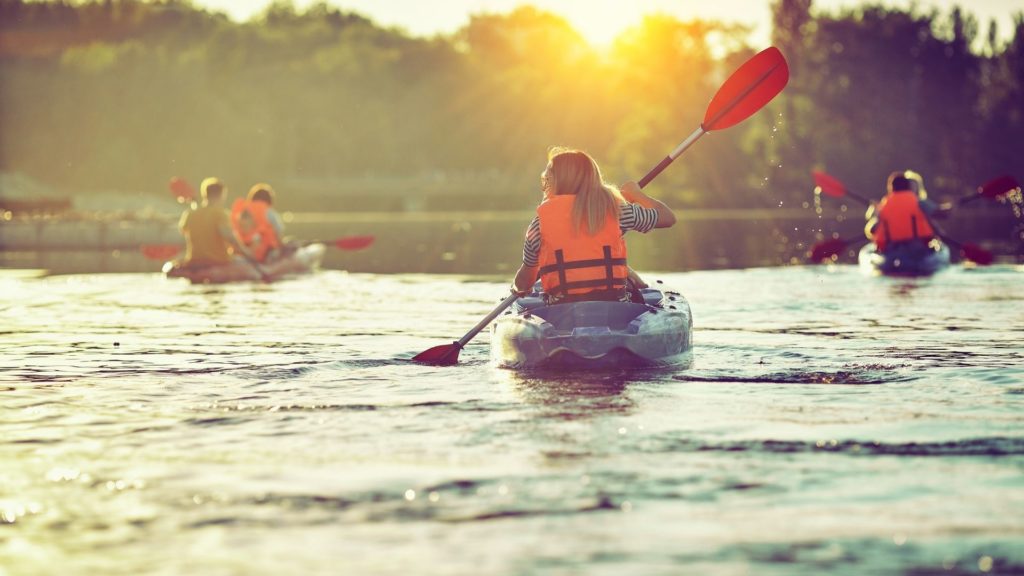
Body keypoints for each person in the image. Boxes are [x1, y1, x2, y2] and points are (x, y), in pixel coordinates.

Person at [512, 147, 677, 303]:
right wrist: (637, 195)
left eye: (546, 180)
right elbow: (668, 217)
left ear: (556, 183)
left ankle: (638, 282)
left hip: (561, 309)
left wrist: (517, 288)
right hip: (614, 305)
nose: (545, 185)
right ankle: (641, 285)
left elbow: (524, 283)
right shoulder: (617, 211)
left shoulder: (538, 225)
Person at [178, 177, 253, 268]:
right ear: (222, 195)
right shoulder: (220, 214)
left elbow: (183, 231)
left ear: (205, 194)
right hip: (218, 261)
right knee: (245, 262)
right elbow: (230, 237)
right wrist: (246, 252)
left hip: (194, 261)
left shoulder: (190, 214)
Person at [864, 170, 938, 253]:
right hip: (917, 249)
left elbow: (872, 230)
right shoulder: (920, 203)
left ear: (891, 188)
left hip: (891, 250)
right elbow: (940, 214)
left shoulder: (884, 205)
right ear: (908, 187)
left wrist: (877, 214)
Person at [230, 183, 293, 263]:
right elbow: (279, 236)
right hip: (265, 255)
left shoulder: (241, 211)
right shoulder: (269, 212)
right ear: (269, 199)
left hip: (241, 252)